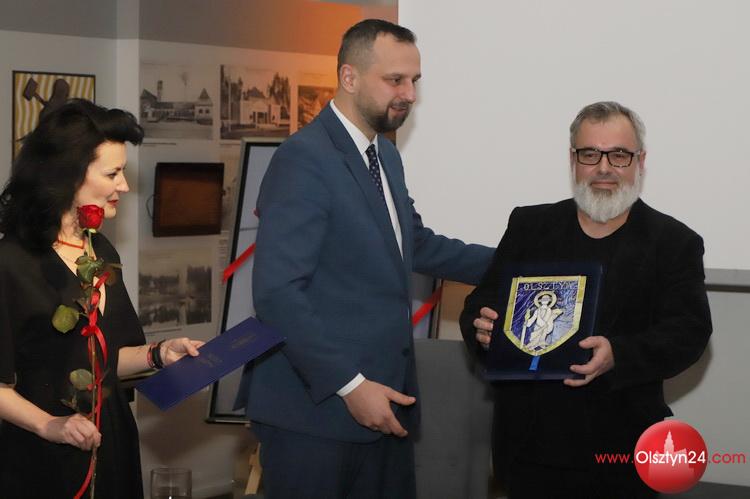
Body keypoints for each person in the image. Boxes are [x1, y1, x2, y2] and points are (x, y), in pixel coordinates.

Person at [236, 19, 494, 499]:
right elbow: (277, 294)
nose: (409, 94)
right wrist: (352, 386)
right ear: (349, 77)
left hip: (385, 404)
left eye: (414, 80)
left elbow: (416, 244)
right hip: (316, 415)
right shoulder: (303, 158)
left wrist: (518, 260)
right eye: (395, 80)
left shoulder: (385, 157)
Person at [460, 101, 712, 498]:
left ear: (640, 161)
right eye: (590, 154)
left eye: (619, 155)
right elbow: (483, 301)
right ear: (572, 159)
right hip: (529, 449)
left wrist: (618, 354)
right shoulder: (529, 225)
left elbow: (689, 333)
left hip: (620, 453)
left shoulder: (674, 242)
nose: (604, 168)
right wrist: (483, 327)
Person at [0, 99, 202, 498]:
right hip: (40, 459)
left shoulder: (100, 249)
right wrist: (50, 425)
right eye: (112, 173)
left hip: (110, 442)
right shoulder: (10, 263)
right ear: (67, 177)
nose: (124, 186)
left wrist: (160, 354)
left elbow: (102, 362)